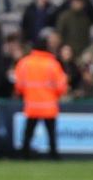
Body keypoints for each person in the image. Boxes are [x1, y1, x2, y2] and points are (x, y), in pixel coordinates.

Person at [14, 30, 68, 160]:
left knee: (28, 133)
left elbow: (19, 85)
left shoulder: (25, 63)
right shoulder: (52, 64)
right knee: (51, 134)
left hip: (31, 105)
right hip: (49, 106)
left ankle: (25, 155)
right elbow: (61, 86)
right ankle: (54, 156)